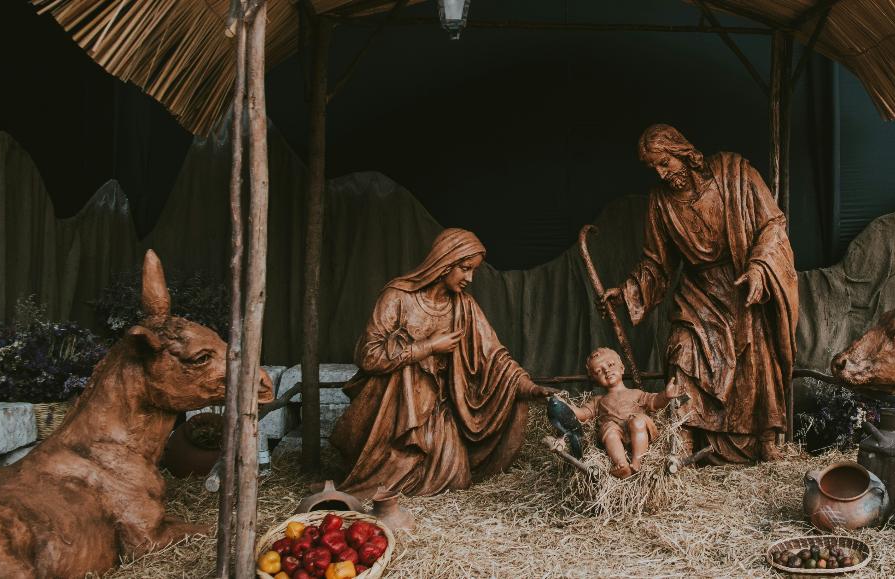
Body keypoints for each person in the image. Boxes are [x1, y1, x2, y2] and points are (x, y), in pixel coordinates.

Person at [600, 124, 798, 464]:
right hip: (698, 292)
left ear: (681, 151)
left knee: (756, 350)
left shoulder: (734, 172)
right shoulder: (660, 203)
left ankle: (765, 441)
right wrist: (629, 291)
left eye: (665, 163)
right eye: (654, 169)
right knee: (683, 352)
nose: (662, 175)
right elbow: (656, 263)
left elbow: (772, 223)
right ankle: (685, 438)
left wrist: (759, 268)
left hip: (741, 281)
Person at [330, 228, 560, 497]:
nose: (469, 278)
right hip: (394, 411)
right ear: (444, 262)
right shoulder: (398, 297)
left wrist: (529, 388)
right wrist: (427, 348)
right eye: (465, 268)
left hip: (439, 408)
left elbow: (495, 356)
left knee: (457, 480)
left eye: (473, 270)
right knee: (399, 352)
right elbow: (369, 357)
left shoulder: (464, 306)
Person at [565, 348, 686, 478]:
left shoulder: (636, 393)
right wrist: (565, 406)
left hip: (639, 431)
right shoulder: (598, 400)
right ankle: (621, 464)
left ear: (622, 368)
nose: (606, 370)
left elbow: (655, 401)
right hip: (617, 435)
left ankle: (637, 461)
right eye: (599, 371)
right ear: (595, 379)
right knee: (608, 428)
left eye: (610, 365)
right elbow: (583, 414)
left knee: (638, 420)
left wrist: (666, 396)